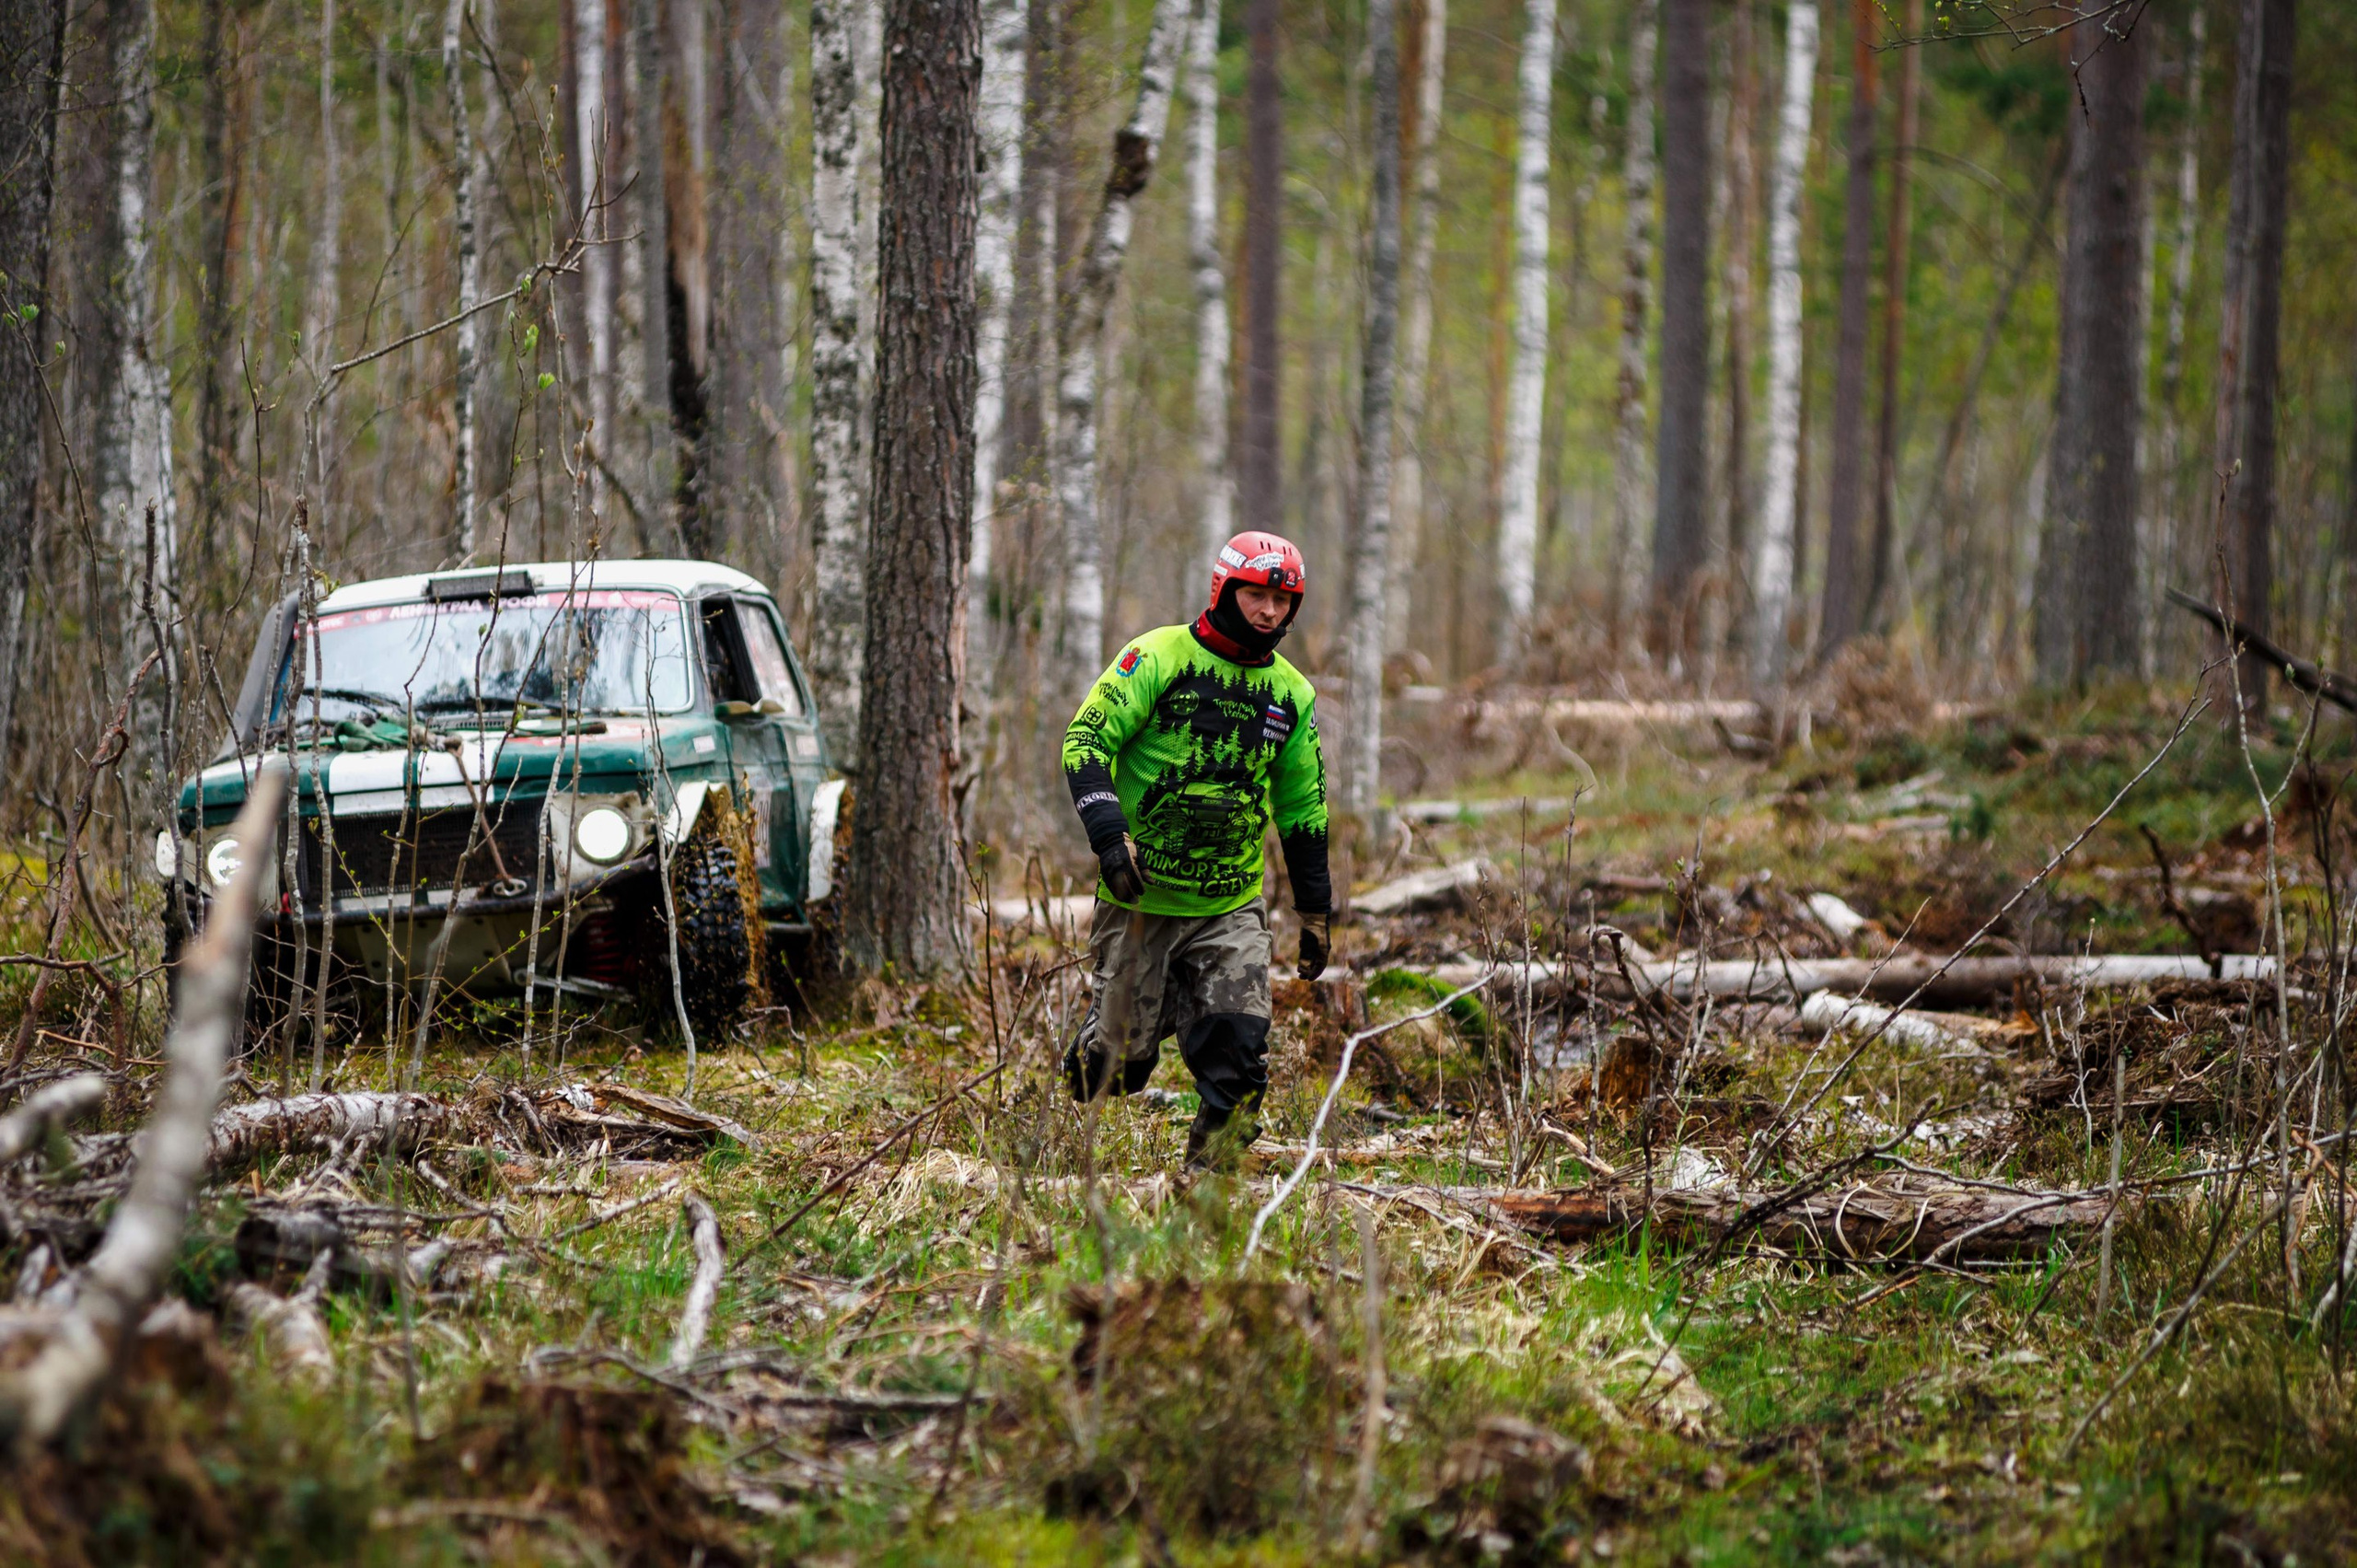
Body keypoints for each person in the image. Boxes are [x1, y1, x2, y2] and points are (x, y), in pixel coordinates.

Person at [1061, 529, 1331, 1167]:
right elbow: (1085, 742)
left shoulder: (1292, 695)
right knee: (1116, 1068)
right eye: (1257, 594)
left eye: (1284, 600)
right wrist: (1108, 837)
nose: (1270, 611)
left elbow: (1303, 806)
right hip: (1140, 898)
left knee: (1239, 1052)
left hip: (1228, 905)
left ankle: (1206, 1191)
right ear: (1225, 588)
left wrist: (1315, 911)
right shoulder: (1156, 657)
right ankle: (1095, 1043)